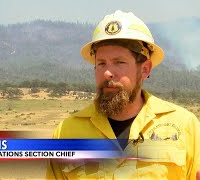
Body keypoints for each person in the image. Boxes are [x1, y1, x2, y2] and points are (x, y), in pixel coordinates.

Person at [46, 10, 200, 179]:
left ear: (145, 69)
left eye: (119, 62)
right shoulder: (66, 132)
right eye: (101, 63)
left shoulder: (186, 125)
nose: (107, 73)